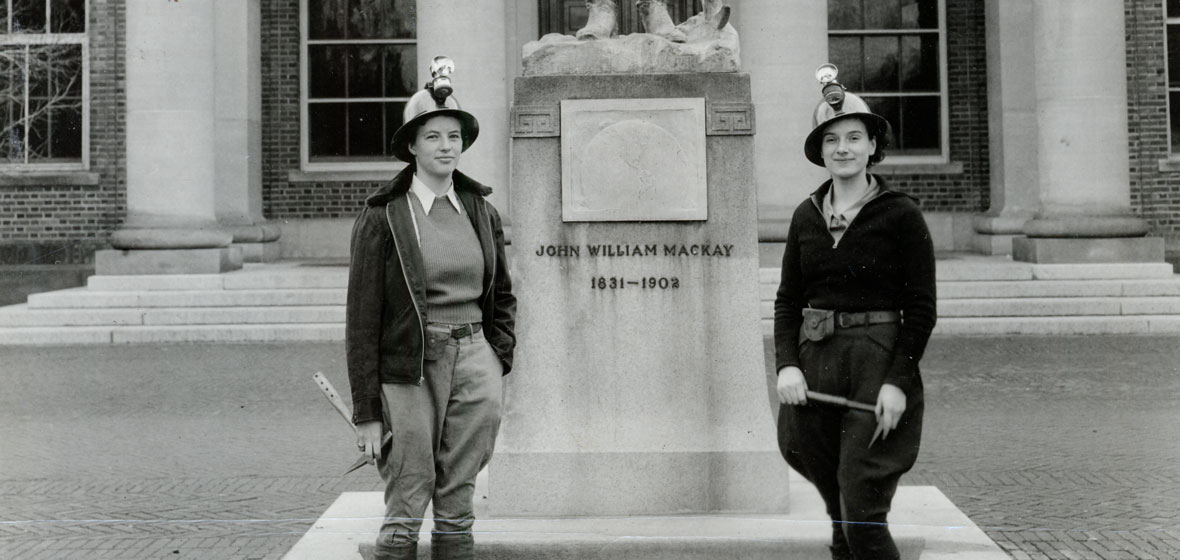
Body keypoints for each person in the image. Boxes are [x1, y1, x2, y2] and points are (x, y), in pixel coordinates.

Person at [345, 56, 516, 560]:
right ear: (412, 146)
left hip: (474, 357)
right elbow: (361, 319)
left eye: (454, 137)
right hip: (410, 367)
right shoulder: (385, 217)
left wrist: (497, 356)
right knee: (410, 475)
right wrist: (367, 413)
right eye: (434, 137)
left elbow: (501, 293)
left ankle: (454, 544)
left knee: (461, 482)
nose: (446, 147)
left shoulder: (481, 211)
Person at [773, 65, 937, 560]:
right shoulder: (806, 215)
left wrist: (897, 381)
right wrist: (786, 364)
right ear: (820, 152)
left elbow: (921, 309)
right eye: (831, 141)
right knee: (841, 512)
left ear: (872, 146)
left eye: (853, 138)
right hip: (817, 365)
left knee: (861, 512)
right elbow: (787, 299)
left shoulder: (900, 213)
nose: (842, 148)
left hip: (876, 365)